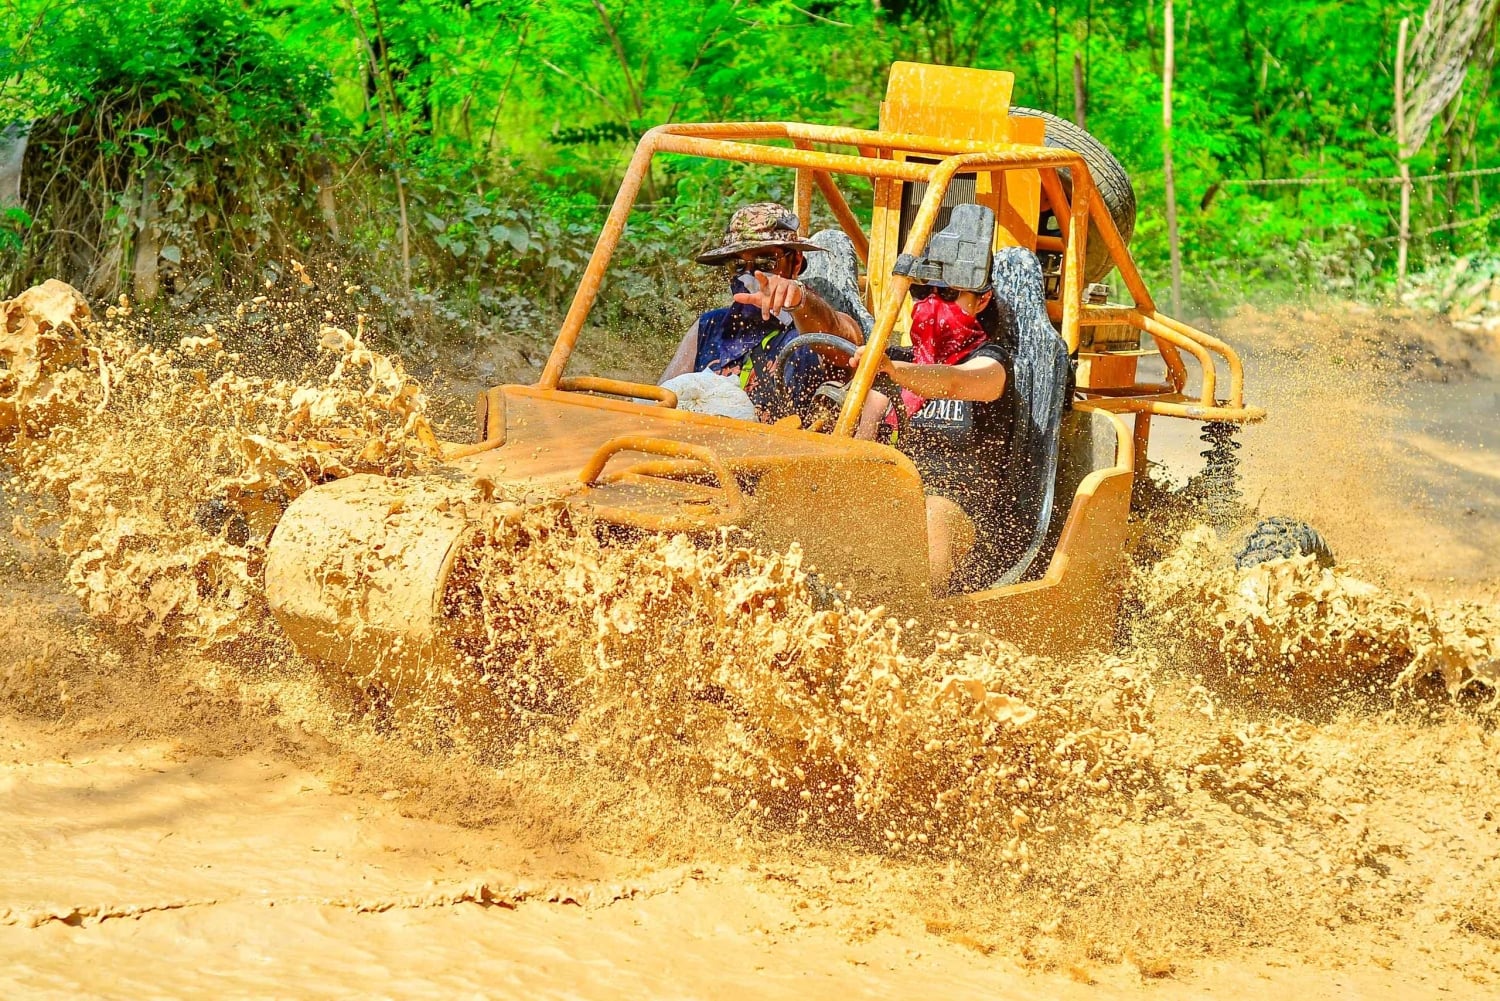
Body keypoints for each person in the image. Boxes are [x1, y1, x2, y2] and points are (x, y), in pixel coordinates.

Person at [848, 205, 1018, 595]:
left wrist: (894, 372)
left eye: (947, 292)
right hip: (899, 498)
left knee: (933, 516)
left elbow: (955, 384)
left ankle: (914, 619)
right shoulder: (899, 361)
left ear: (981, 299)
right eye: (922, 292)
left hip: (969, 513)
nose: (930, 305)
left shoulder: (992, 363)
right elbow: (861, 431)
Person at [660, 202, 865, 422]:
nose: (750, 276)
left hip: (786, 452)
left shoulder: (815, 326)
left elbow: (843, 338)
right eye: (737, 265)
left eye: (766, 262)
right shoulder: (710, 326)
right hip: (698, 449)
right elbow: (660, 399)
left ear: (795, 263)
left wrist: (799, 299)